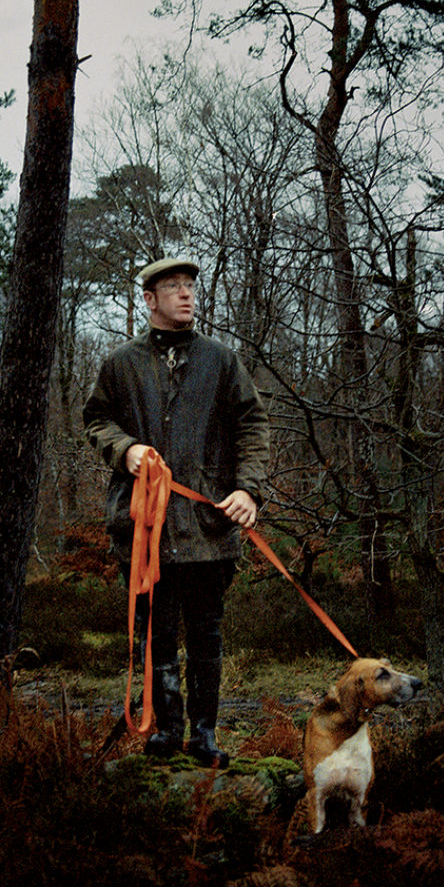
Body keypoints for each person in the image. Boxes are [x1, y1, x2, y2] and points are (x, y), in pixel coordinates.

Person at [83, 257, 270, 767]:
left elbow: (253, 427)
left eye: (190, 286)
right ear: (150, 299)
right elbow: (96, 419)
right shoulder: (121, 364)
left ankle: (205, 735)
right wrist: (126, 449)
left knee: (206, 634)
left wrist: (247, 491)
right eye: (174, 287)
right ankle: (166, 731)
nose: (187, 295)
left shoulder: (222, 361)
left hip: (210, 528)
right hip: (144, 528)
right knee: (156, 634)